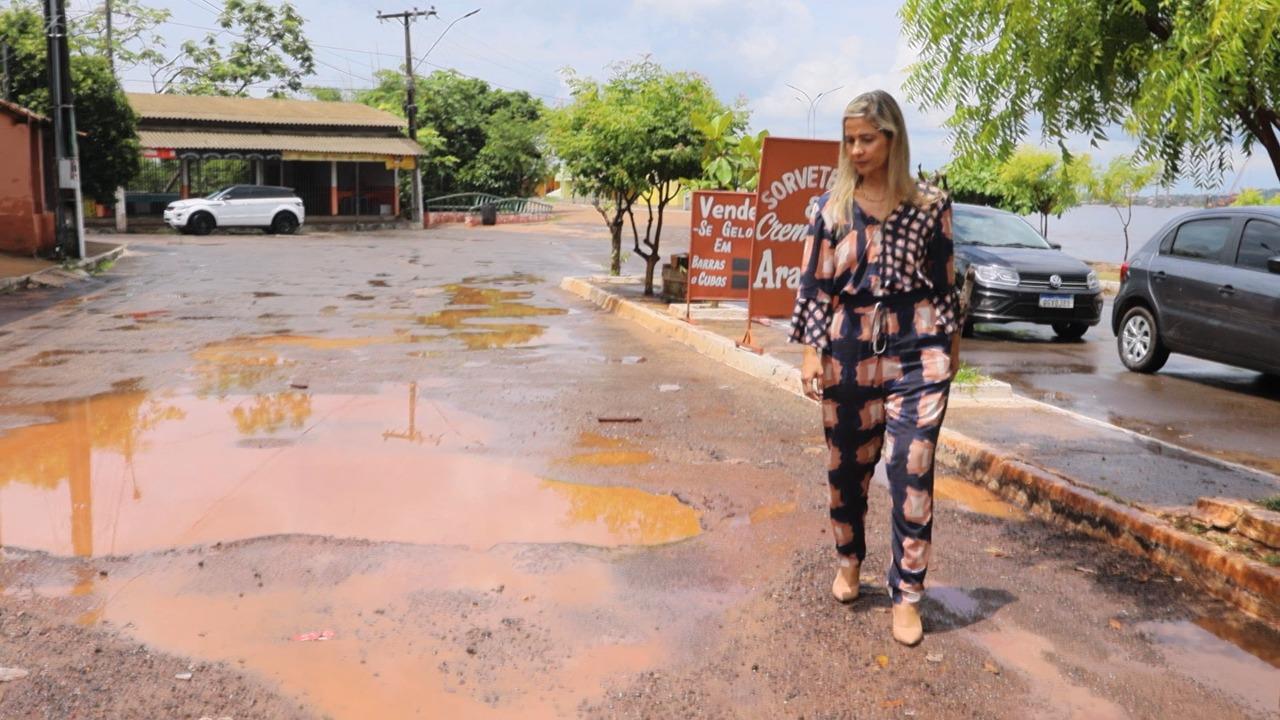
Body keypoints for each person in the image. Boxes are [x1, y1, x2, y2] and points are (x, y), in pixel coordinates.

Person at [789, 89, 960, 647]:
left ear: (893, 138)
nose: (857, 150)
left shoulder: (931, 203)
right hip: (848, 346)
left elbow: (946, 276)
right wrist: (811, 350)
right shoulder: (829, 208)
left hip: (919, 346)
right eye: (850, 140)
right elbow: (814, 284)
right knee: (847, 470)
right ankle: (849, 560)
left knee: (912, 470)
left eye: (867, 138)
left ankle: (907, 595)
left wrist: (953, 341)